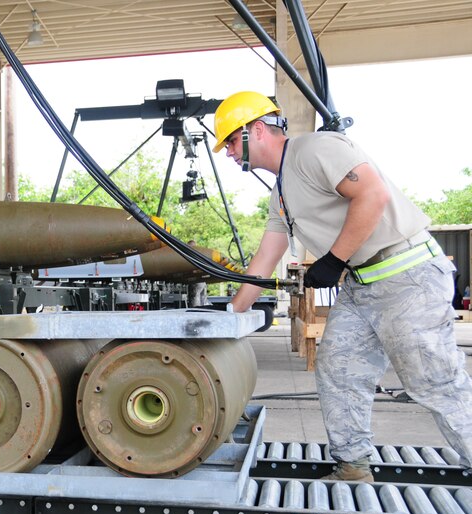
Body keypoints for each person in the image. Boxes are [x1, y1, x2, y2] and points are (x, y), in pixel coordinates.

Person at [214, 91, 472, 483]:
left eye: (231, 141)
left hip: (406, 276)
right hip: (361, 284)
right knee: (338, 369)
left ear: (257, 130)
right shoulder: (280, 193)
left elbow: (372, 193)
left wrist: (333, 260)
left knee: (434, 381)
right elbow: (265, 259)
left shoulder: (316, 149)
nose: (229, 153)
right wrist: (230, 317)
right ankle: (353, 465)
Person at [186, 240, 209, 307]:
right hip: (202, 281)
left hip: (197, 280)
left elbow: (193, 270)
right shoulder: (200, 254)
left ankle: (195, 312)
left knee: (194, 297)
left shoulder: (191, 255)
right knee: (203, 299)